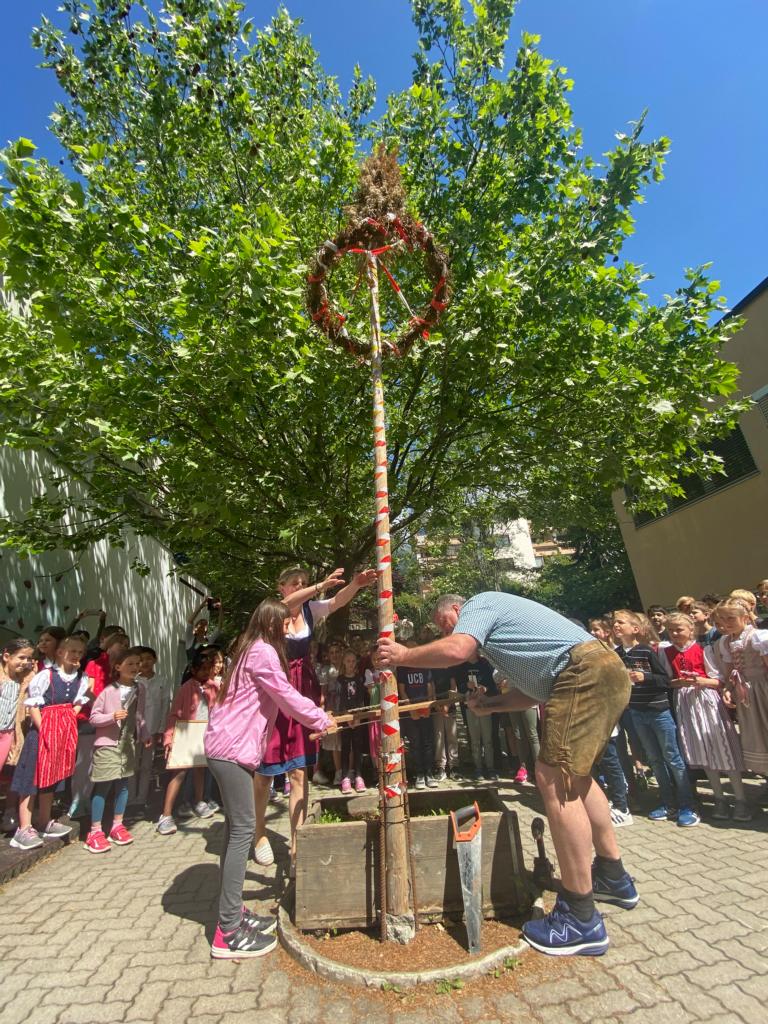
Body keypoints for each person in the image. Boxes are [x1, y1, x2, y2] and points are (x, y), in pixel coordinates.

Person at [379, 592, 636, 957]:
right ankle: (613, 877)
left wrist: (404, 656)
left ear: (456, 609)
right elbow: (532, 694)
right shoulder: (505, 644)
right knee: (575, 777)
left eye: (444, 625)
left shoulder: (479, 604)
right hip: (602, 672)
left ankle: (580, 917)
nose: (446, 632)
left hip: (584, 671)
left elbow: (455, 649)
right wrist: (491, 705)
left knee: (552, 776)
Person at [204, 598, 333, 959]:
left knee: (234, 833)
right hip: (230, 752)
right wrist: (320, 719)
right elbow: (287, 695)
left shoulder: (249, 649)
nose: (292, 629)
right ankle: (227, 933)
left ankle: (232, 913)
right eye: (287, 623)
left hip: (228, 749)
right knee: (243, 832)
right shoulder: (262, 653)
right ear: (274, 626)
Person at [252, 565, 375, 874]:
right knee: (265, 771)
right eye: (295, 583)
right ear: (281, 587)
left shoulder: (309, 610)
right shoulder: (272, 612)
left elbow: (336, 603)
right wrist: (320, 584)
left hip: (302, 685)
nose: (301, 587)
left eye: (303, 583)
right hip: (274, 686)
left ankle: (296, 846)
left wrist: (357, 585)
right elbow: (293, 604)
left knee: (298, 770)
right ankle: (259, 833)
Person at [613, 610, 699, 827]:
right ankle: (668, 802)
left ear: (635, 629)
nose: (616, 625)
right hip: (636, 712)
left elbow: (665, 679)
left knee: (672, 757)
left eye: (620, 622)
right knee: (655, 759)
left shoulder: (646, 651)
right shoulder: (617, 654)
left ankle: (688, 804)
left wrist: (646, 676)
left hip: (658, 712)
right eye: (614, 622)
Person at [663, 613, 749, 821]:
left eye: (679, 629)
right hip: (686, 704)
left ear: (690, 629)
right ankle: (719, 798)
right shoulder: (666, 652)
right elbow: (669, 681)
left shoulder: (704, 649)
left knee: (722, 747)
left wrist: (700, 681)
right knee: (702, 750)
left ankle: (741, 800)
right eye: (671, 630)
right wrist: (680, 683)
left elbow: (718, 681)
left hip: (707, 702)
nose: (675, 634)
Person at [10, 634, 91, 850]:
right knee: (31, 779)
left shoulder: (81, 678)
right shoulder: (46, 675)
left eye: (80, 653)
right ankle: (23, 828)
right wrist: (44, 728)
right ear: (60, 653)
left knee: (51, 777)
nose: (77, 656)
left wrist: (69, 718)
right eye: (73, 651)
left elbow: (78, 703)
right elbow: (33, 705)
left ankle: (44, 821)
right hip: (42, 732)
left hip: (63, 731)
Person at [85, 646, 149, 853]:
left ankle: (117, 825)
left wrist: (144, 734)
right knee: (103, 786)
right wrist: (111, 717)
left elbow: (140, 716)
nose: (135, 667)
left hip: (127, 744)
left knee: (123, 785)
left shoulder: (140, 689)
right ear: (118, 667)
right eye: (130, 663)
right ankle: (94, 830)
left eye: (137, 663)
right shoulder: (108, 691)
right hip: (107, 744)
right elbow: (94, 717)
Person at [156, 650, 220, 835]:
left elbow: (218, 710)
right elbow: (174, 713)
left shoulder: (213, 687)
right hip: (185, 732)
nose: (206, 673)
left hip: (204, 732)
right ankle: (166, 814)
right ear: (193, 669)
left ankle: (199, 801)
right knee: (180, 771)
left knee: (200, 768)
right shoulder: (186, 688)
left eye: (209, 669)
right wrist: (169, 737)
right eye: (202, 669)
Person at [69, 631, 129, 819]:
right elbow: (88, 690)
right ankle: (78, 801)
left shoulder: (118, 670)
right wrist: (103, 708)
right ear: (110, 645)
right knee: (84, 763)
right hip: (89, 719)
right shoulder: (95, 664)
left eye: (126, 645)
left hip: (111, 721)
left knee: (101, 763)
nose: (124, 648)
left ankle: (93, 799)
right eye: (121, 644)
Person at [716, 597, 768, 776]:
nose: (725, 623)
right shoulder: (725, 641)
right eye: (722, 619)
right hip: (745, 693)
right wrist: (728, 689)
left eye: (730, 618)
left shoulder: (758, 637)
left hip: (762, 689)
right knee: (757, 734)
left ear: (745, 617)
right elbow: (730, 670)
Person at [130, 646, 172, 812]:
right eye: (141, 660)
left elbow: (164, 706)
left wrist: (162, 729)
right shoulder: (134, 681)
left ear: (154, 660)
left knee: (147, 764)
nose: (145, 662)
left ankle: (142, 797)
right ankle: (130, 798)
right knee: (132, 764)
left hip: (153, 728)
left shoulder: (162, 680)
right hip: (135, 729)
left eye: (148, 658)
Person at [397, 642, 437, 789]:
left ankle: (429, 772)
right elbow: (402, 690)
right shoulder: (402, 667)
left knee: (427, 742)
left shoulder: (424, 664)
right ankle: (419, 773)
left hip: (425, 708)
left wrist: (429, 705)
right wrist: (410, 709)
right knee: (415, 743)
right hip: (411, 711)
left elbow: (430, 685)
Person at [336, 649, 368, 793]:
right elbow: (339, 701)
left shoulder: (360, 679)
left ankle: (359, 775)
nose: (350, 664)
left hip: (358, 719)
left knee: (357, 747)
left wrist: (358, 717)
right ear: (344, 662)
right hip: (345, 719)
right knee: (345, 748)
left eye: (353, 661)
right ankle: (345, 777)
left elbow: (362, 699)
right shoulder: (340, 680)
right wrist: (346, 717)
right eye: (348, 661)